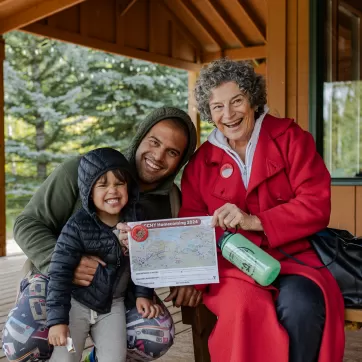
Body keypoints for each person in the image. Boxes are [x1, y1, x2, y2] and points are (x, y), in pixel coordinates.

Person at [2, 107, 201, 362]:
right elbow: (26, 223)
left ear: (180, 161)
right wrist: (60, 262)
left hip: (118, 294)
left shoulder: (171, 200)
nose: (158, 156)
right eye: (154, 142)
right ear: (140, 137)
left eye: (172, 152)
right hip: (56, 279)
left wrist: (188, 279)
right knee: (24, 341)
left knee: (155, 335)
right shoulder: (81, 169)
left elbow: (175, 254)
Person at [178, 59, 345, 362]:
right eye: (217, 107)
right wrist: (194, 279)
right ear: (209, 112)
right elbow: (191, 225)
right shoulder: (200, 164)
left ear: (253, 99)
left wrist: (254, 221)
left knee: (302, 305)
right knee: (242, 308)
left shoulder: (291, 139)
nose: (228, 115)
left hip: (294, 259)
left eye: (236, 101)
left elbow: (316, 204)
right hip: (232, 268)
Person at [47, 147, 162, 362]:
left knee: (115, 358)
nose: (113, 191)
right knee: (67, 356)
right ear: (89, 191)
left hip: (112, 306)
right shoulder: (77, 226)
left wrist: (143, 294)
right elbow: (59, 273)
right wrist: (57, 321)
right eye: (102, 185)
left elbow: (144, 260)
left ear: (129, 186)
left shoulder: (137, 220)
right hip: (75, 305)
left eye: (119, 183)